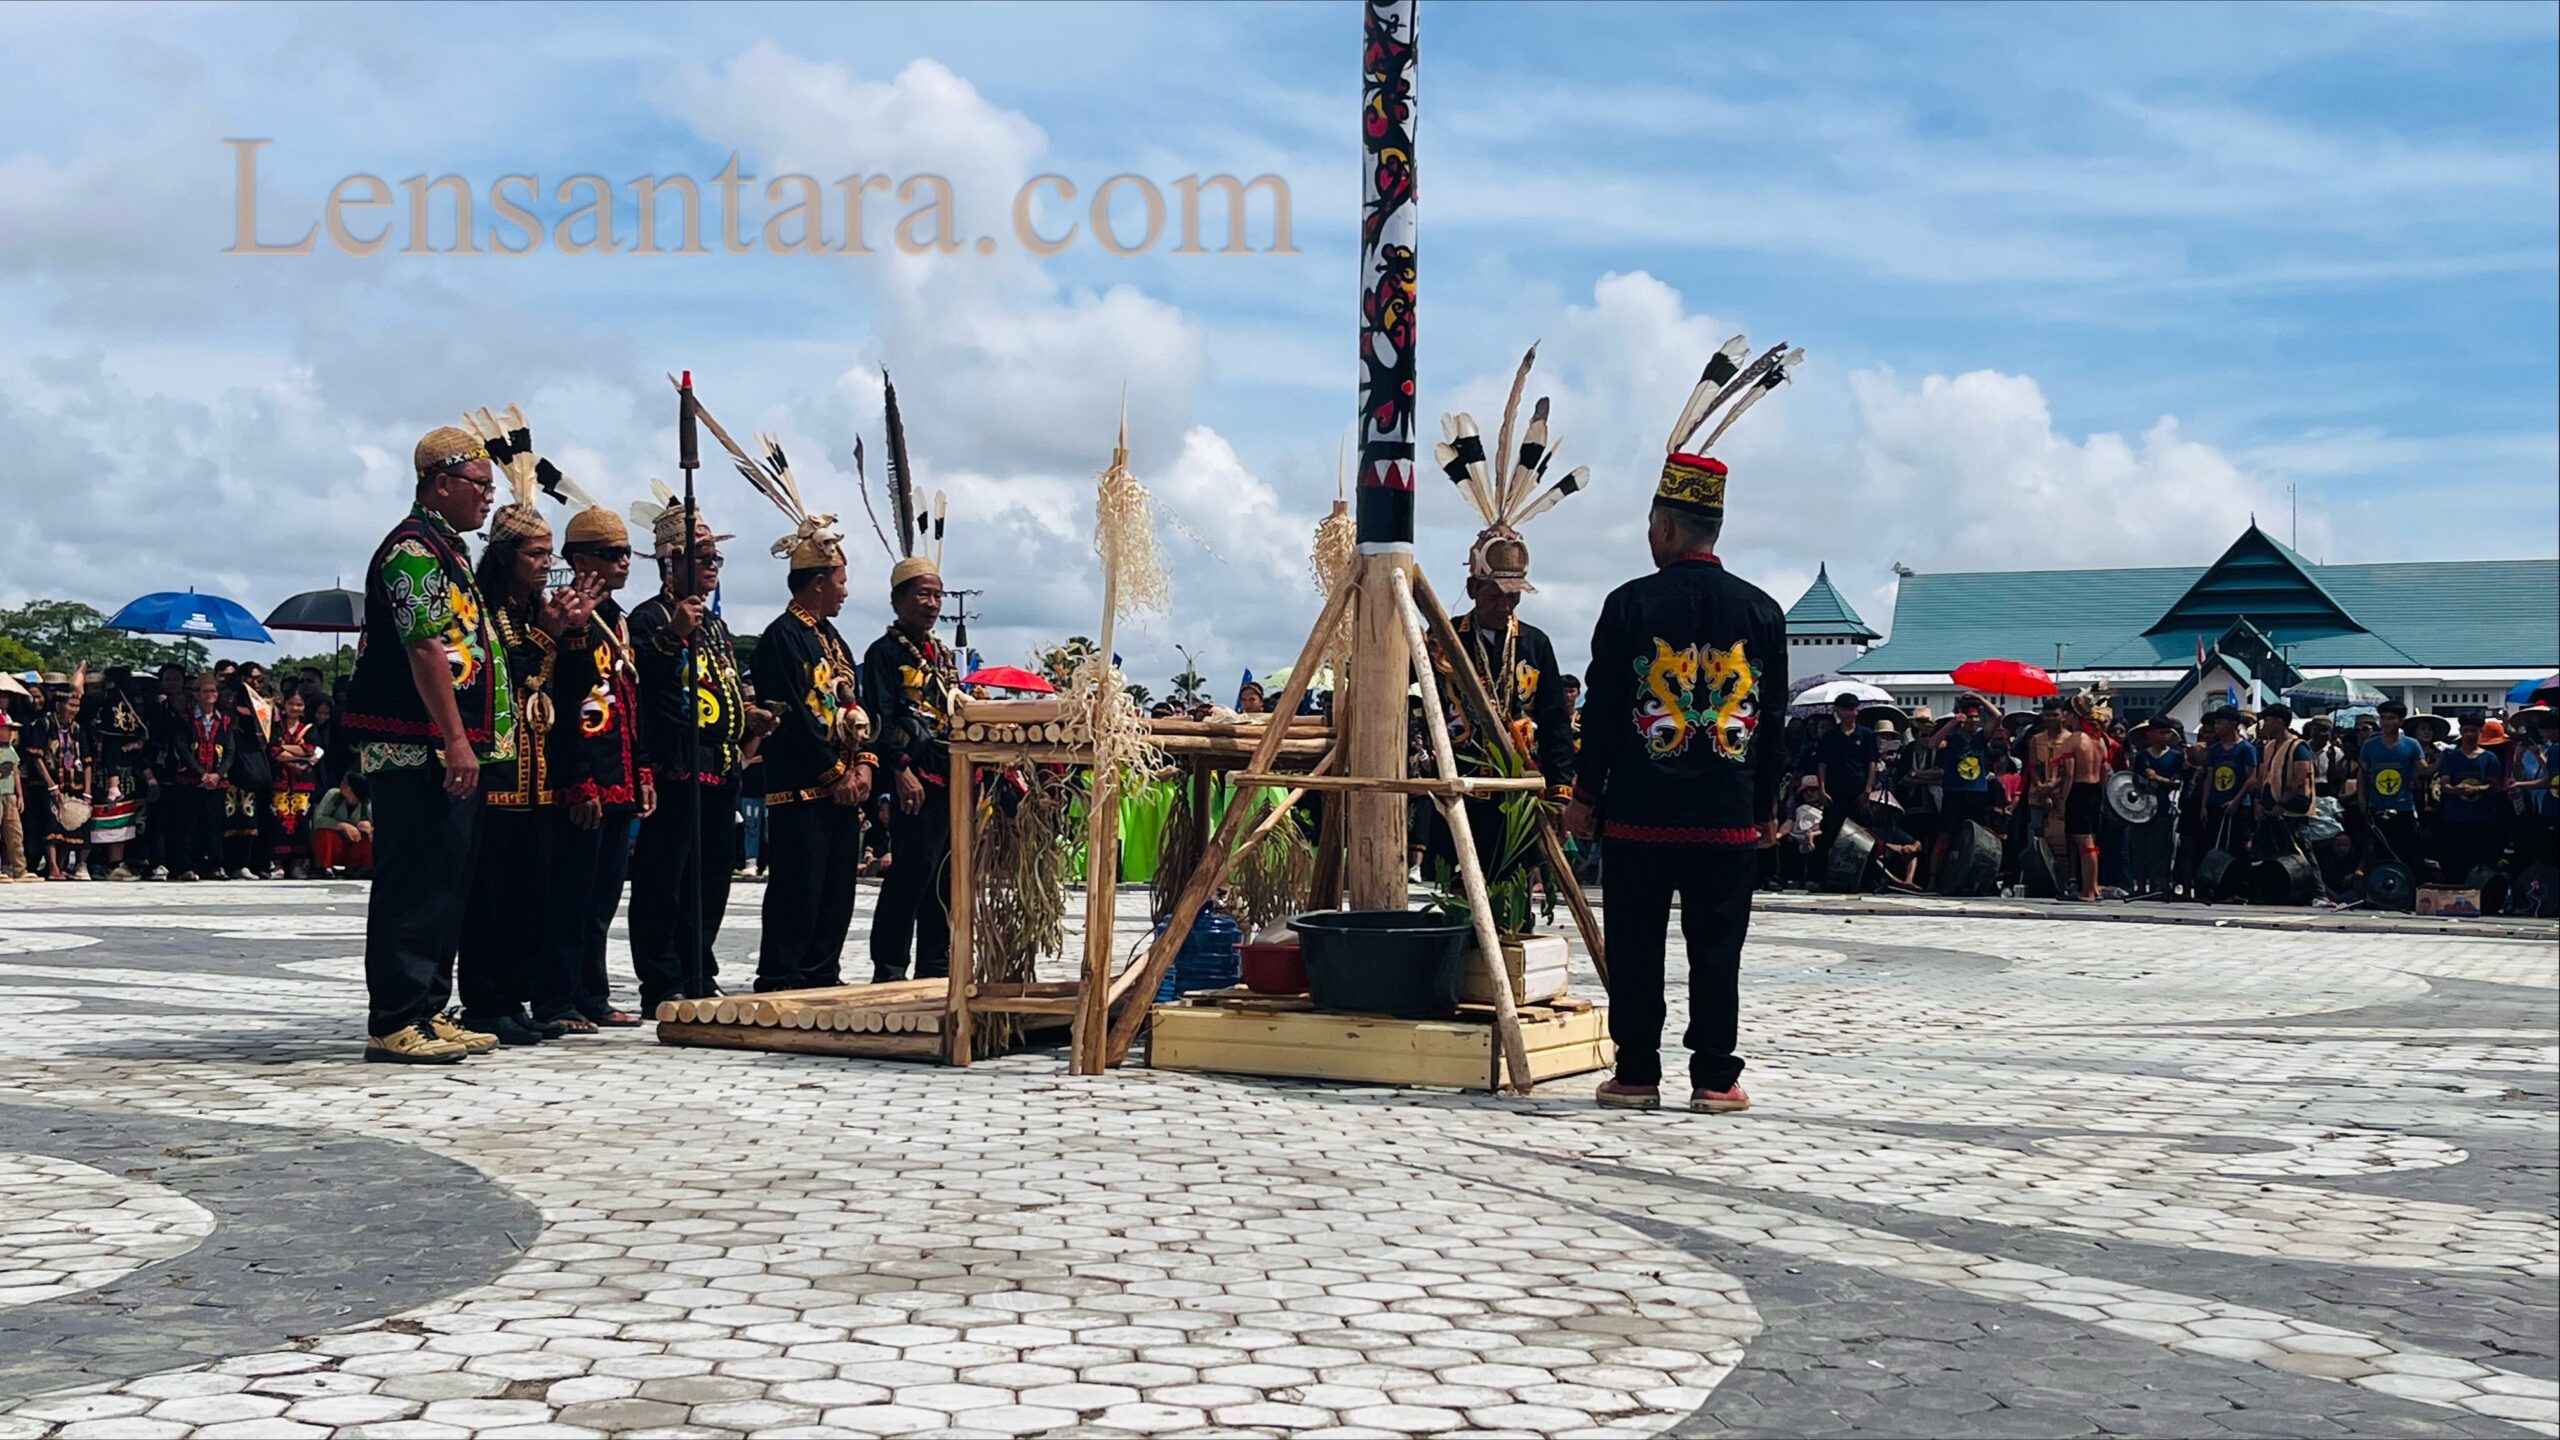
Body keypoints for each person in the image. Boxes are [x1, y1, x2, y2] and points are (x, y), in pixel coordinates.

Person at [1563, 434, 1789, 1116]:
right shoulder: (1761, 610)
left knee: (1635, 948)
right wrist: (1767, 806)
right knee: (1718, 950)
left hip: (1640, 812)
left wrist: (1584, 795)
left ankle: (1636, 1074)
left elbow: (1603, 710)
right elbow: (1771, 720)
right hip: (1725, 813)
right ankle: (1715, 1078)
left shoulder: (1629, 605)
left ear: (1663, 527)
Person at [339, 424, 517, 1063]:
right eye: (479, 486)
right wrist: (455, 738)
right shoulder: (412, 551)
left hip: (446, 748)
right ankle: (394, 1017)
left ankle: (428, 1008)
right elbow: (424, 647)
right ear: (440, 484)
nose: (486, 498)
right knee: (415, 879)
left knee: (448, 878)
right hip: (418, 747)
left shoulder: (449, 550)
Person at [456, 472, 597, 1047]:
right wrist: (546, 633)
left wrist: (577, 633)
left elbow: (570, 690)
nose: (546, 563)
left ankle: (513, 998)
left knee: (529, 897)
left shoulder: (534, 608)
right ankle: (484, 1002)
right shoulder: (484, 609)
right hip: (497, 776)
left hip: (539, 778)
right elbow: (496, 676)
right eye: (538, 553)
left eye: (549, 553)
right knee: (489, 898)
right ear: (508, 554)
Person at [627, 497, 760, 1014]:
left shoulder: (716, 625)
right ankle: (661, 978)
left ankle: (699, 965)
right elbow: (641, 680)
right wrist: (671, 635)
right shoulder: (650, 618)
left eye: (714, 559)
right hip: (674, 763)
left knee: (711, 874)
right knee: (666, 876)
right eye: (702, 557)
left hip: (719, 764)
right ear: (670, 563)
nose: (711, 567)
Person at [756, 510, 879, 991]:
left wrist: (865, 765)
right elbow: (796, 721)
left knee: (836, 890)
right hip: (803, 788)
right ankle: (782, 975)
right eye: (841, 580)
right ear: (818, 582)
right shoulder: (782, 637)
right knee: (798, 888)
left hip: (843, 789)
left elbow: (856, 704)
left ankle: (821, 972)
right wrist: (836, 775)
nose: (846, 591)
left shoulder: (832, 639)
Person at [1421, 527, 1577, 878]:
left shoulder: (1535, 644)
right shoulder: (1443, 638)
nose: (1505, 605)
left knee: (1513, 896)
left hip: (1517, 793)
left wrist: (1559, 792)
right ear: (1473, 589)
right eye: (1496, 595)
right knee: (1456, 896)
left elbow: (1554, 723)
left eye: (1513, 596)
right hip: (1459, 789)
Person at [558, 500, 654, 1028]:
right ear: (580, 559)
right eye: (612, 554)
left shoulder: (617, 618)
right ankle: (561, 995)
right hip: (586, 774)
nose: (624, 562)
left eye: (625, 553)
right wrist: (579, 779)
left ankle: (592, 992)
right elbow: (567, 704)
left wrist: (642, 770)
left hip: (621, 775)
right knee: (571, 895)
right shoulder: (565, 614)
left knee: (603, 900)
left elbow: (630, 702)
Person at [861, 555, 959, 983]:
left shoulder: (940, 652)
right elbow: (881, 716)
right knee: (911, 871)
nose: (932, 604)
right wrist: (900, 769)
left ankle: (936, 964)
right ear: (897, 599)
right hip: (913, 775)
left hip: (949, 771)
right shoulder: (883, 652)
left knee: (946, 875)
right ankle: (889, 965)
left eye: (938, 595)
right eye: (923, 594)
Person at [1911, 698, 1995, 885]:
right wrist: (1953, 721)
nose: (1974, 721)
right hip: (1955, 793)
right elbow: (1932, 743)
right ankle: (1933, 880)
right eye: (1970, 717)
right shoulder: (1951, 740)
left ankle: (1977, 880)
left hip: (1977, 793)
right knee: (1944, 837)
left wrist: (1979, 698)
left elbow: (1997, 716)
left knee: (1979, 838)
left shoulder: (1980, 739)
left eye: (1976, 717)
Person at [162, 672, 233, 882]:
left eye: (213, 690)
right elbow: (182, 748)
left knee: (214, 824)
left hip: (217, 781)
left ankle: (215, 864)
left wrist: (217, 775)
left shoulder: (226, 720)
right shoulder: (186, 719)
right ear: (197, 694)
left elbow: (230, 751)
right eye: (205, 691)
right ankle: (187, 866)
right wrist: (202, 774)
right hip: (191, 779)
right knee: (188, 824)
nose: (209, 695)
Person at [22, 683, 91, 882]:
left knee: (69, 827)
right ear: (58, 704)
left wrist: (87, 791)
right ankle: (52, 867)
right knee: (52, 826)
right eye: (71, 705)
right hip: (49, 785)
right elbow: (37, 757)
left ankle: (60, 866)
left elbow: (87, 761)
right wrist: (51, 785)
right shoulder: (44, 725)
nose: (74, 710)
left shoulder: (78, 729)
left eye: (77, 706)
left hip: (73, 785)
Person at [84, 668, 148, 880]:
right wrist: (113, 783)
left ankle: (116, 864)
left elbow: (138, 736)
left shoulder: (128, 702)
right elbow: (109, 741)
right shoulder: (102, 704)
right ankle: (92, 863)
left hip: (127, 771)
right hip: (103, 772)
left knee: (122, 820)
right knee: (101, 818)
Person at [2354, 700, 2428, 879]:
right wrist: (2362, 800)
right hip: (2377, 806)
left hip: (2404, 807)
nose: (2386, 722)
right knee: (2379, 852)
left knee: (2407, 852)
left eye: (2391, 718)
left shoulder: (2412, 744)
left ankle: (2408, 890)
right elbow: (2362, 775)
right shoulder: (2370, 745)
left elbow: (2425, 770)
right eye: (2383, 718)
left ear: (2401, 721)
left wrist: (2443, 759)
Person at [1811, 693, 1876, 889]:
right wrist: (1821, 788)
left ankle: (1868, 880)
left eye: (1850, 709)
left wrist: (1868, 788)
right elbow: (1822, 763)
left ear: (1856, 710)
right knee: (1828, 834)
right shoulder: (1830, 736)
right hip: (1834, 791)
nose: (1846, 713)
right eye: (1842, 709)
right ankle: (1819, 878)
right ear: (1837, 711)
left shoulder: (1865, 735)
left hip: (1858, 791)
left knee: (1864, 836)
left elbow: (1872, 762)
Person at [2192, 706, 2259, 892]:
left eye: (2221, 723)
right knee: (2215, 846)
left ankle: (2240, 888)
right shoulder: (2214, 751)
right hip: (2216, 803)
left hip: (2238, 806)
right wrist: (2204, 806)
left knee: (2238, 847)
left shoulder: (2246, 749)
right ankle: (2217, 886)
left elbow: (2251, 778)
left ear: (2233, 725)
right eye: (2216, 723)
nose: (2217, 727)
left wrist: (2236, 801)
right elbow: (2209, 778)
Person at [2434, 717, 2507, 884]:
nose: (2469, 734)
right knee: (2454, 860)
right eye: (2465, 730)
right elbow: (2444, 784)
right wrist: (2455, 790)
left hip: (2482, 819)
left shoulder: (2489, 758)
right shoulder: (2450, 757)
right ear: (2460, 732)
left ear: (2480, 732)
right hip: (2454, 818)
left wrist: (2477, 789)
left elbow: (2495, 786)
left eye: (2473, 730)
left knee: (2480, 860)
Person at [2125, 716, 2185, 898]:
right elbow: (2132, 782)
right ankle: (2141, 886)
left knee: (2161, 848)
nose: (2165, 736)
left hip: (2164, 807)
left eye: (2168, 733)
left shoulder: (2176, 756)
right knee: (2140, 847)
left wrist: (2157, 779)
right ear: (2151, 734)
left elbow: (2177, 782)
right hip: (2141, 808)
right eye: (2162, 732)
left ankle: (2160, 886)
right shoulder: (2142, 757)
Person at [268, 692, 322, 878]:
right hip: (280, 781)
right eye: (291, 704)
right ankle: (276, 864)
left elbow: (310, 749)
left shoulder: (309, 728)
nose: (295, 708)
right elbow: (274, 751)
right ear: (284, 705)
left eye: (299, 704)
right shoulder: (276, 726)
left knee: (302, 822)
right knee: (277, 822)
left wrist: (288, 750)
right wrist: (298, 756)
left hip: (302, 783)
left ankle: (299, 863)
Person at [312, 771, 374, 877]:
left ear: (350, 788)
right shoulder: (333, 795)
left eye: (344, 782)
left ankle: (362, 868)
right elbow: (318, 820)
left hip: (354, 848)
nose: (341, 784)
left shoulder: (367, 804)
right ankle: (324, 867)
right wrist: (342, 826)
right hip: (336, 846)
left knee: (367, 838)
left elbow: (383, 828)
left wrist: (370, 828)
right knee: (324, 833)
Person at [0, 713, 25, 882]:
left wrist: (20, 795)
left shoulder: (10, 749)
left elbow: (16, 773)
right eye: (7, 729)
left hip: (10, 795)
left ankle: (20, 869)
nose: (10, 733)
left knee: (15, 832)